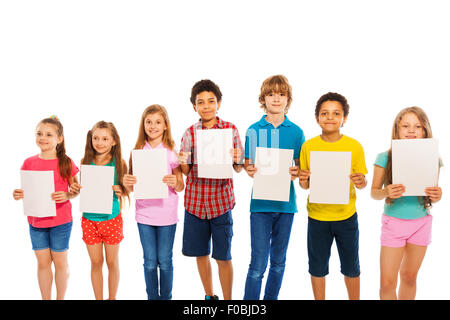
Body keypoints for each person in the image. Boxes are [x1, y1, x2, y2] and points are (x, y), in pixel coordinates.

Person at [179, 79, 244, 300]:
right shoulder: (189, 133)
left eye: (211, 101)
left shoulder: (230, 129)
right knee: (201, 253)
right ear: (194, 106)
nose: (206, 106)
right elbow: (186, 171)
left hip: (221, 203)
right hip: (195, 203)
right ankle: (209, 296)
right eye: (200, 102)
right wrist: (183, 161)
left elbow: (238, 167)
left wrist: (238, 158)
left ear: (218, 103)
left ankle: (228, 300)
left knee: (223, 256)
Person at [299, 92, 367, 300]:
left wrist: (360, 181)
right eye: (325, 113)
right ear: (317, 117)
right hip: (317, 217)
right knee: (317, 267)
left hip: (346, 217)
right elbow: (304, 184)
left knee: (351, 266)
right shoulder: (308, 146)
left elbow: (362, 183)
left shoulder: (354, 146)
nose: (330, 117)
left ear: (344, 118)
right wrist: (303, 180)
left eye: (336, 113)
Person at [243, 75, 305, 300]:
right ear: (263, 98)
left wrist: (298, 173)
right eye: (271, 94)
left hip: (286, 206)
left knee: (278, 262)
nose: (276, 99)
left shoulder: (297, 132)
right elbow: (247, 164)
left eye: (281, 94)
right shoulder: (252, 129)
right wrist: (249, 169)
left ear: (288, 99)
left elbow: (301, 170)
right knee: (258, 264)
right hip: (260, 205)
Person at [370, 106, 442, 300]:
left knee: (409, 277)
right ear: (397, 130)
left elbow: (433, 193)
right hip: (394, 223)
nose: (411, 130)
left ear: (425, 130)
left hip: (421, 224)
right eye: (406, 126)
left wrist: (438, 195)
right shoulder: (385, 157)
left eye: (418, 126)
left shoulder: (434, 158)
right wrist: (386, 191)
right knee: (387, 283)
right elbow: (374, 193)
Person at [13, 116, 79, 300]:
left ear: (59, 138)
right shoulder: (29, 162)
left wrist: (67, 194)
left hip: (61, 221)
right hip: (36, 221)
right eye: (39, 133)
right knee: (42, 263)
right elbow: (28, 191)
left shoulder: (66, 162)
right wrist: (19, 194)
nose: (43, 137)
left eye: (48, 134)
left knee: (59, 262)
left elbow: (75, 189)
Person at [124, 105, 184, 300]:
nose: (153, 126)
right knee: (150, 261)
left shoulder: (172, 152)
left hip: (166, 214)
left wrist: (175, 181)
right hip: (144, 215)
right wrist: (128, 183)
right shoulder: (137, 151)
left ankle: (166, 298)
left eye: (158, 122)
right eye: (148, 122)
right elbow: (132, 186)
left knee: (165, 261)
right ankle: (152, 298)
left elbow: (181, 185)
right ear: (143, 125)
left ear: (165, 125)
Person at [70, 121, 129, 300]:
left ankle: (112, 298)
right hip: (89, 219)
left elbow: (125, 189)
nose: (99, 142)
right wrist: (75, 190)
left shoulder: (119, 163)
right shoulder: (84, 161)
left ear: (113, 141)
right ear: (90, 139)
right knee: (96, 263)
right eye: (96, 138)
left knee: (112, 262)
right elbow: (83, 188)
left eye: (105, 138)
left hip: (111, 218)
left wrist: (121, 190)